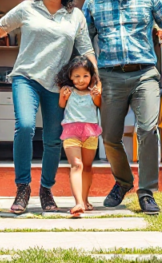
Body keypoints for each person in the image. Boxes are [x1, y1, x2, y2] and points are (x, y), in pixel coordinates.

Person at [0, 0, 96, 214]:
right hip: (26, 77)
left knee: (53, 139)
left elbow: (86, 49)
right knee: (24, 126)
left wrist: (95, 78)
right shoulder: (27, 8)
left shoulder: (75, 15)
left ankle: (46, 189)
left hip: (58, 84)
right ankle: (23, 187)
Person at [82, 0, 162, 215]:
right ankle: (124, 181)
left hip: (144, 73)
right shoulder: (92, 2)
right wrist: (88, 75)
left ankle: (146, 191)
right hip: (109, 76)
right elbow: (83, 40)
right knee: (110, 137)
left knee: (148, 130)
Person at [56, 56, 102, 218]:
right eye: (76, 76)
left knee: (87, 167)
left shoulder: (93, 92)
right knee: (77, 165)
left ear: (91, 76)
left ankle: (85, 199)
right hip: (71, 131)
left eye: (85, 75)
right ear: (70, 76)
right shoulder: (67, 90)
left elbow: (99, 104)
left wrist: (97, 94)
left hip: (90, 132)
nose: (81, 80)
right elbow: (61, 105)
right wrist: (63, 96)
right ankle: (78, 203)